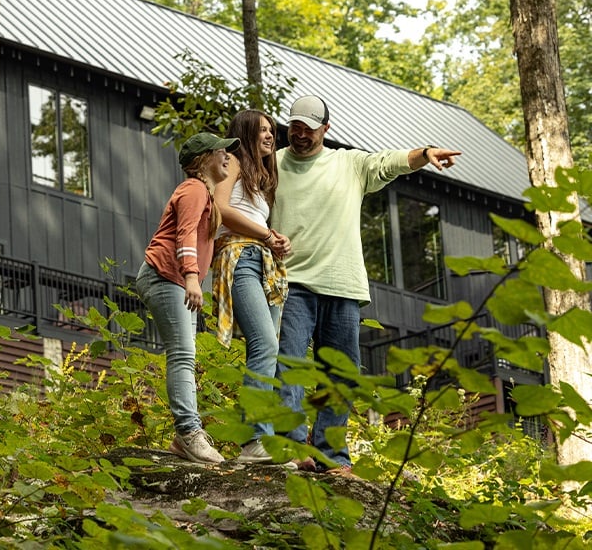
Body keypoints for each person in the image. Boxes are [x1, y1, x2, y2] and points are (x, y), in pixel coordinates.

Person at [271, 95, 462, 474]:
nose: (300, 135)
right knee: (288, 365)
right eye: (294, 127)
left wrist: (424, 153)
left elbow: (389, 161)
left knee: (340, 374)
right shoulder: (272, 165)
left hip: (342, 285)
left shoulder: (348, 164)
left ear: (326, 129)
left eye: (308, 129)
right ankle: (291, 448)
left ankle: (332, 455)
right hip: (290, 282)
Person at [135, 132, 237, 464]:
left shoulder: (203, 194)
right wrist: (192, 277)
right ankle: (189, 433)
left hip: (175, 280)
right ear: (202, 159)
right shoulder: (193, 189)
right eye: (221, 151)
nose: (227, 156)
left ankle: (186, 437)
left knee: (186, 356)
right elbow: (185, 234)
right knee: (181, 355)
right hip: (166, 276)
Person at [210, 109, 292, 464]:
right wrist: (266, 234)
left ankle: (265, 440)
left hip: (264, 262)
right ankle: (254, 440)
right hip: (240, 256)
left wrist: (278, 242)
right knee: (265, 343)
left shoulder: (262, 177)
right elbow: (220, 208)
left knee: (270, 353)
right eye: (262, 130)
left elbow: (258, 221)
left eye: (272, 130)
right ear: (245, 133)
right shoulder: (232, 161)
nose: (270, 135)